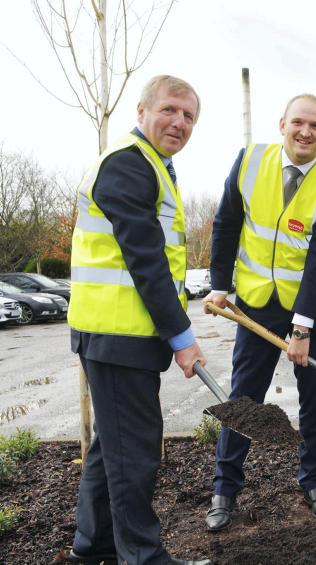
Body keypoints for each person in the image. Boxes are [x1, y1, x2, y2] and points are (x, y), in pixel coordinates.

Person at [67, 75, 210, 564]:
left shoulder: (153, 167)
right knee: (135, 455)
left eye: (189, 116)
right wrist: (182, 338)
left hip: (119, 335)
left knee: (113, 448)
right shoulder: (129, 165)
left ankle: (94, 546)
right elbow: (146, 260)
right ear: (141, 110)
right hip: (117, 334)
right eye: (170, 109)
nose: (179, 122)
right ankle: (143, 558)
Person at [203, 94, 316, 529]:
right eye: (298, 123)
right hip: (256, 306)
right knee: (244, 399)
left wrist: (302, 329)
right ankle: (224, 490)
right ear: (282, 124)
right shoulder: (249, 162)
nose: (305, 132)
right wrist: (220, 286)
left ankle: (314, 483)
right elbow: (226, 224)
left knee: (315, 400)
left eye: (315, 126)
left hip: (314, 310)